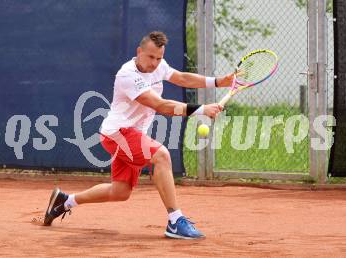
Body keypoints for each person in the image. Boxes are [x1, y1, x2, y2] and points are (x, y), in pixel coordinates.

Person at [44, 31, 234, 239]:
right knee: (161, 156)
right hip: (118, 134)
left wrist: (218, 82)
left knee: (120, 191)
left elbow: (181, 78)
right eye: (150, 57)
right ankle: (175, 221)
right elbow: (160, 105)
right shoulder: (128, 75)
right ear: (139, 51)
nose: (154, 63)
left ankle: (65, 201)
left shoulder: (159, 65)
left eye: (159, 58)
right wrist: (201, 109)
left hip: (130, 134)